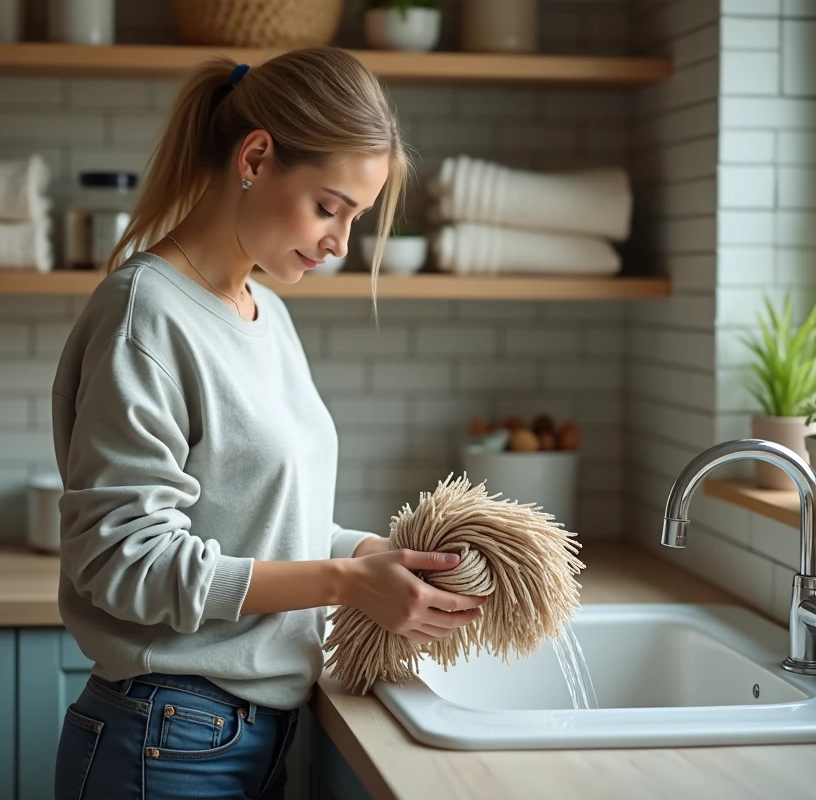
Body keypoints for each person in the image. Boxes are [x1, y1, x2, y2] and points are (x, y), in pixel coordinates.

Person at [50, 47, 485, 800]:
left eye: (355, 219)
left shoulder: (266, 313)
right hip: (164, 739)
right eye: (329, 207)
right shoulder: (144, 316)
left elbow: (262, 526)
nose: (340, 245)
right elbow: (125, 562)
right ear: (256, 157)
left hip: (246, 735)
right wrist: (348, 582)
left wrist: (381, 556)